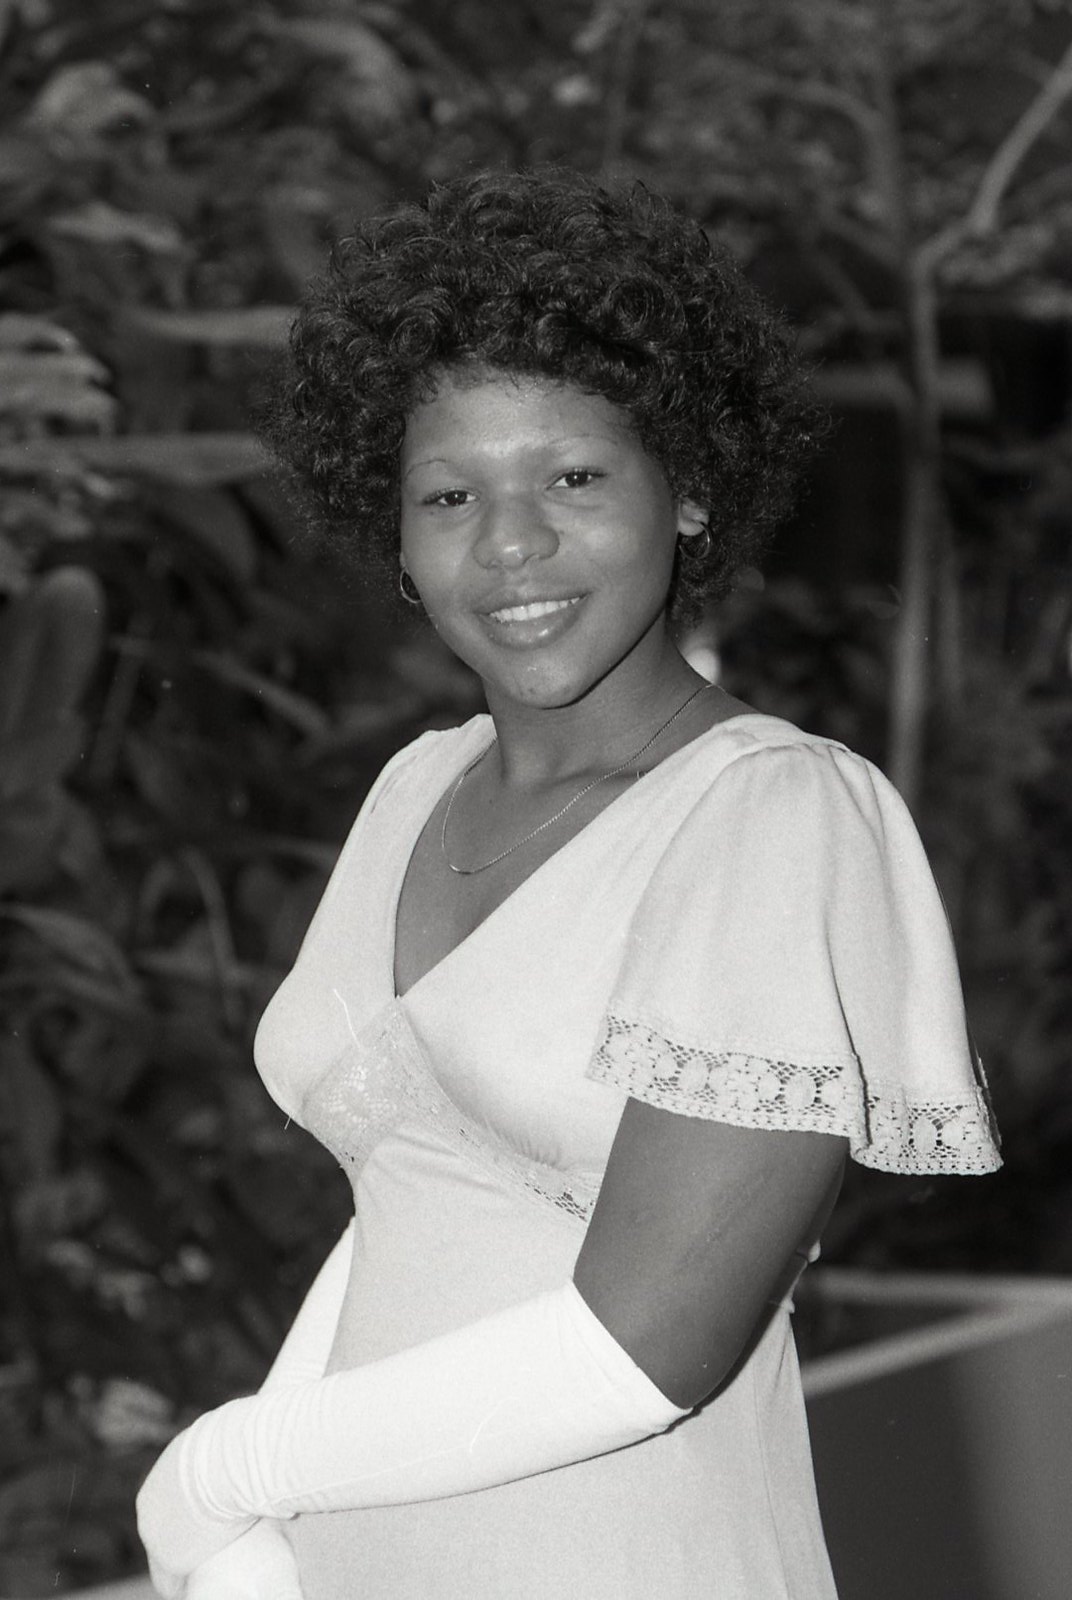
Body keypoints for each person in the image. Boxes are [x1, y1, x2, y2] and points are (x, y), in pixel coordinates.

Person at [136, 167, 1001, 1600]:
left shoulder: (774, 820)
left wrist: (229, 1468)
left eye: (575, 477)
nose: (511, 544)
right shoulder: (418, 789)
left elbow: (643, 1342)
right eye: (450, 494)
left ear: (694, 492)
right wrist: (246, 1555)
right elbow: (400, 1196)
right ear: (396, 535)